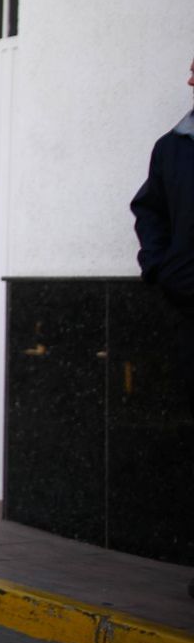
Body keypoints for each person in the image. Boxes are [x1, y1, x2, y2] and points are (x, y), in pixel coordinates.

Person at [132, 54, 194, 421]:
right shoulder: (171, 148)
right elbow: (149, 210)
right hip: (188, 303)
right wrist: (160, 267)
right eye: (192, 73)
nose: (190, 82)